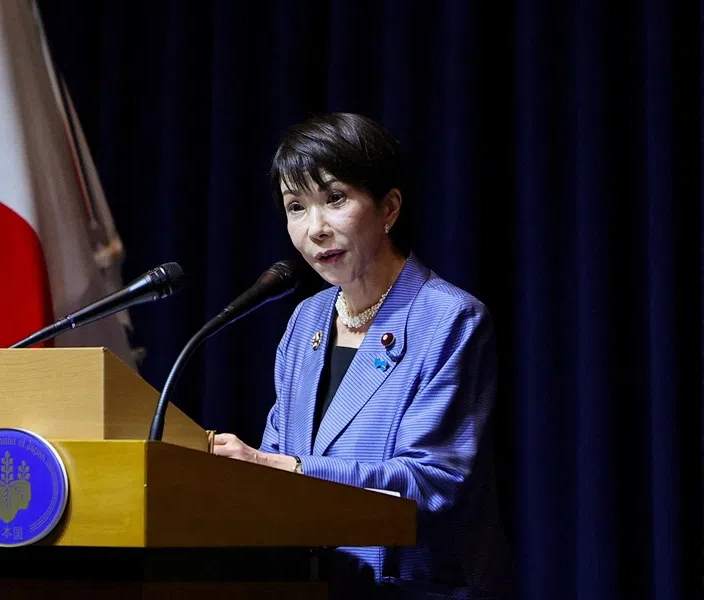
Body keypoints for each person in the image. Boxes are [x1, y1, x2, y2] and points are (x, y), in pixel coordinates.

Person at [213, 113, 514, 599]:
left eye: (334, 199)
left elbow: (433, 481)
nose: (315, 229)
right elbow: (274, 461)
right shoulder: (306, 322)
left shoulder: (449, 318)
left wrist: (292, 470)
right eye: (296, 207)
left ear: (388, 207)